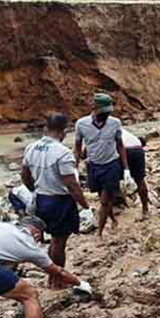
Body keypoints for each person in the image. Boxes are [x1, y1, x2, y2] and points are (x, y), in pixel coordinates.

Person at [22, 114, 92, 279]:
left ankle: (51, 275)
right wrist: (86, 206)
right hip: (60, 202)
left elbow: (25, 175)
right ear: (64, 131)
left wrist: (34, 190)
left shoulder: (31, 148)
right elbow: (72, 185)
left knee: (53, 241)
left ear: (45, 128)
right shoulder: (63, 153)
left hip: (41, 199)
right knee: (59, 242)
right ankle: (56, 279)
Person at [75, 93, 134, 238]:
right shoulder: (81, 124)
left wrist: (126, 169)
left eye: (108, 112)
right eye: (103, 112)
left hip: (111, 165)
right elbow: (77, 147)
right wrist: (74, 168)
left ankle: (100, 233)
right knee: (102, 197)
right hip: (93, 166)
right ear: (94, 108)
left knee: (104, 201)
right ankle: (113, 219)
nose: (106, 115)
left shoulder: (115, 123)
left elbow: (120, 145)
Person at [122, 128, 150, 220]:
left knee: (113, 178)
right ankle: (145, 209)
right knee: (140, 180)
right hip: (137, 149)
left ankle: (117, 205)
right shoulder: (124, 131)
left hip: (124, 150)